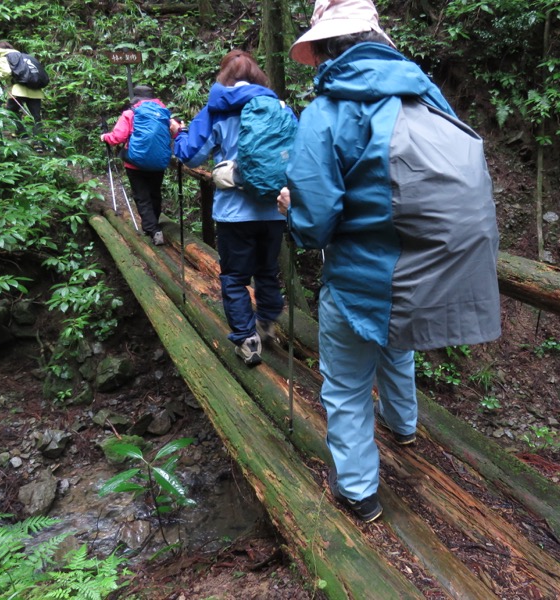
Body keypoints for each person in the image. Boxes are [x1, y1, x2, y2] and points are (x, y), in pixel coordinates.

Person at [277, 0, 501, 523]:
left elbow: (313, 224)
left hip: (360, 279)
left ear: (326, 47)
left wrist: (293, 210)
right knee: (396, 344)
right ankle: (403, 426)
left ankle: (359, 492)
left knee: (347, 384)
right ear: (377, 37)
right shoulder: (427, 94)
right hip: (424, 275)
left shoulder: (326, 112)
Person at [171, 50, 293, 367]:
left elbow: (191, 156)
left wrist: (179, 135)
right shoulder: (280, 109)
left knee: (235, 277)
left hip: (233, 214)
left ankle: (246, 339)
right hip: (273, 209)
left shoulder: (217, 110)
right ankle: (266, 323)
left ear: (224, 78)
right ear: (258, 77)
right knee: (267, 271)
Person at [100, 85, 176, 246]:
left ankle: (153, 229)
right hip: (158, 162)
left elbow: (118, 137)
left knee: (142, 196)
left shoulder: (130, 113)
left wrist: (105, 137)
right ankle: (154, 223)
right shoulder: (164, 112)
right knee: (155, 193)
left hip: (135, 163)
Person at [0, 41, 44, 143]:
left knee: (11, 111)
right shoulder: (24, 57)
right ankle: (39, 142)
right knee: (36, 117)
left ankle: (22, 134)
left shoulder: (4, 58)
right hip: (36, 90)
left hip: (18, 90)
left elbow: (6, 72)